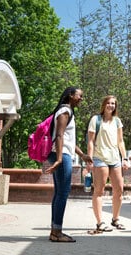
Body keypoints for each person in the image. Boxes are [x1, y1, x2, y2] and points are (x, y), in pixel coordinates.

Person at [45, 87, 93, 243]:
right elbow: (59, 135)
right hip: (62, 155)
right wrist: (59, 159)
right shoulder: (65, 111)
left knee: (59, 193)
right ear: (71, 95)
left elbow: (67, 139)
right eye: (80, 95)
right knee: (62, 193)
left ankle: (55, 230)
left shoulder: (66, 111)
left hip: (62, 153)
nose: (81, 98)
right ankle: (57, 232)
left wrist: (83, 155)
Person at [86, 95, 130, 233]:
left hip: (115, 159)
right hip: (100, 158)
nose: (111, 105)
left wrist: (125, 158)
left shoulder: (117, 121)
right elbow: (91, 141)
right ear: (104, 104)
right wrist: (90, 159)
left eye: (113, 103)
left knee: (119, 190)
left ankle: (115, 219)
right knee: (99, 191)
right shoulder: (96, 120)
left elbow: (120, 141)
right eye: (109, 103)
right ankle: (100, 222)